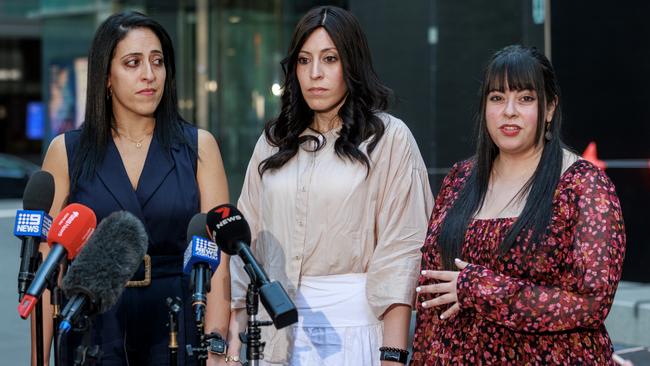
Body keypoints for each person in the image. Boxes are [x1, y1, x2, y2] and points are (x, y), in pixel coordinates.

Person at [225, 5, 433, 366]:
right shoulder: (273, 142)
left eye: (329, 59)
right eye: (304, 61)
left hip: (355, 331)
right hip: (274, 334)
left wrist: (394, 355)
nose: (315, 74)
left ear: (351, 64)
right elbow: (245, 244)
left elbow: (402, 252)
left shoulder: (389, 139)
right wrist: (229, 348)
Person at [411, 45, 626, 365]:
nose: (509, 110)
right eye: (497, 98)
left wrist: (479, 287)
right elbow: (432, 297)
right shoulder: (459, 179)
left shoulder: (583, 185)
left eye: (525, 98)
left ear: (550, 107)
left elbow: (592, 303)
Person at [38, 11, 231, 365]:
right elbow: (48, 270)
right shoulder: (66, 152)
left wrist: (218, 347)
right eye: (132, 62)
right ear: (106, 76)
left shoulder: (198, 147)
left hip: (176, 323)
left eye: (157, 62)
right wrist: (37, 359)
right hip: (93, 325)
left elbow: (218, 261)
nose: (149, 75)